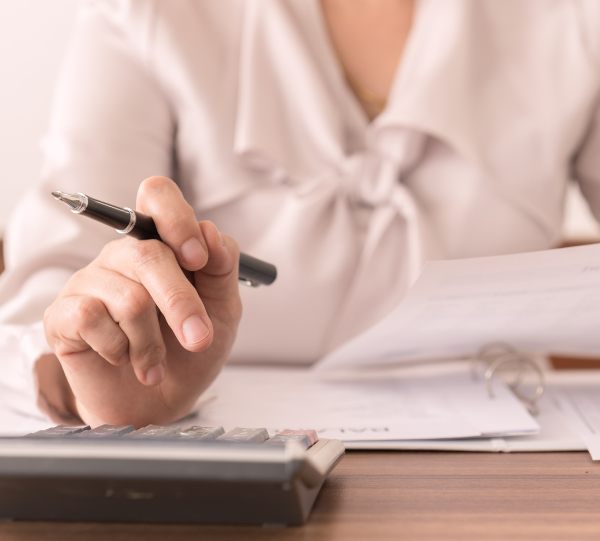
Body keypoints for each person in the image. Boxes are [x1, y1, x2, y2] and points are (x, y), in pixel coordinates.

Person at [1, 0, 600, 429]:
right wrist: (84, 380)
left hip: (511, 465)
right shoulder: (147, 13)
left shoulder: (573, 19)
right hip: (217, 452)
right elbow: (47, 300)